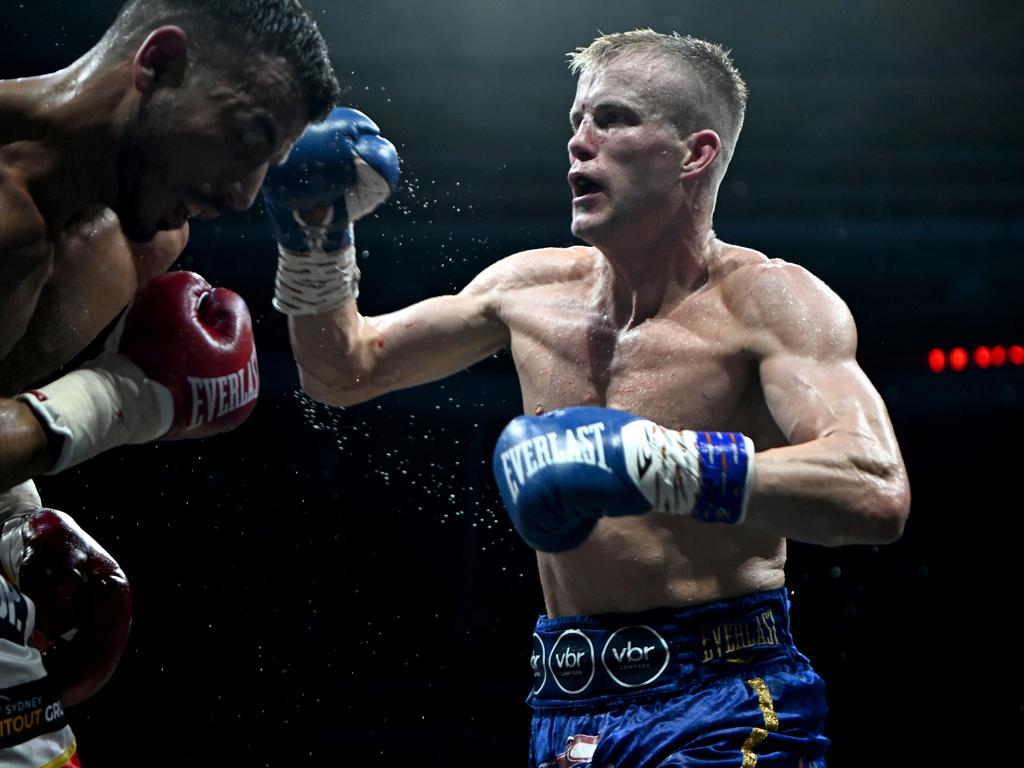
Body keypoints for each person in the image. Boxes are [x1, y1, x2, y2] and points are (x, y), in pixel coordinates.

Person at [263, 29, 910, 767]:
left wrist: (653, 462)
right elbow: (341, 372)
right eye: (576, 120)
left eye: (612, 118)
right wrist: (313, 235)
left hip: (727, 700)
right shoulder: (528, 290)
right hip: (567, 708)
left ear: (694, 153)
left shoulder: (769, 303)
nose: (579, 141)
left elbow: (874, 488)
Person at [0, 1, 341, 764]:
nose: (246, 194)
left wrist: (16, 527)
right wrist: (116, 403)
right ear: (158, 65)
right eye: (247, 137)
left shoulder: (145, 239)